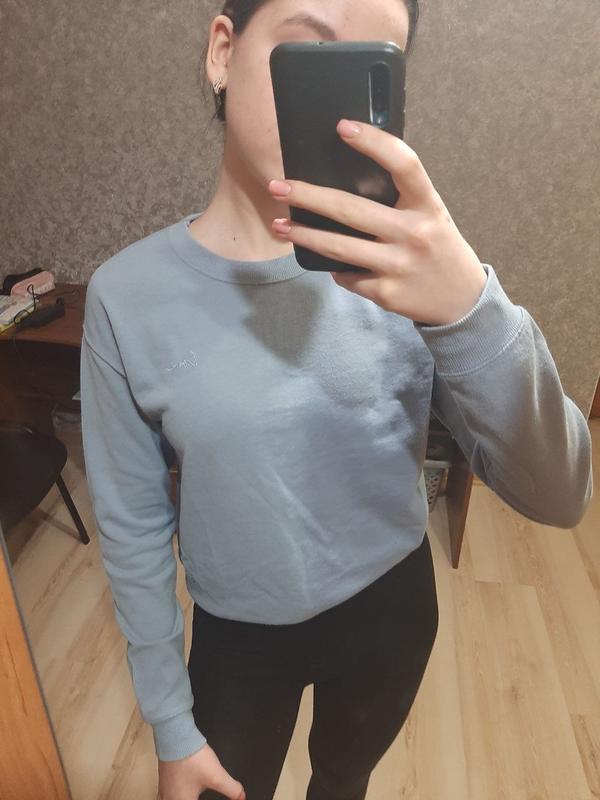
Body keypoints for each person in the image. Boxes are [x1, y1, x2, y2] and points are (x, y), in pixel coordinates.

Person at [79, 1, 594, 799]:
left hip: (390, 610)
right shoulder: (125, 297)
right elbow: (132, 524)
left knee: (344, 782)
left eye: (370, 65)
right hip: (239, 636)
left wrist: (469, 308)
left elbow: (558, 496)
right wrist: (171, 724)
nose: (338, 106)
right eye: (307, 50)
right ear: (222, 52)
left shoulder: (416, 275)